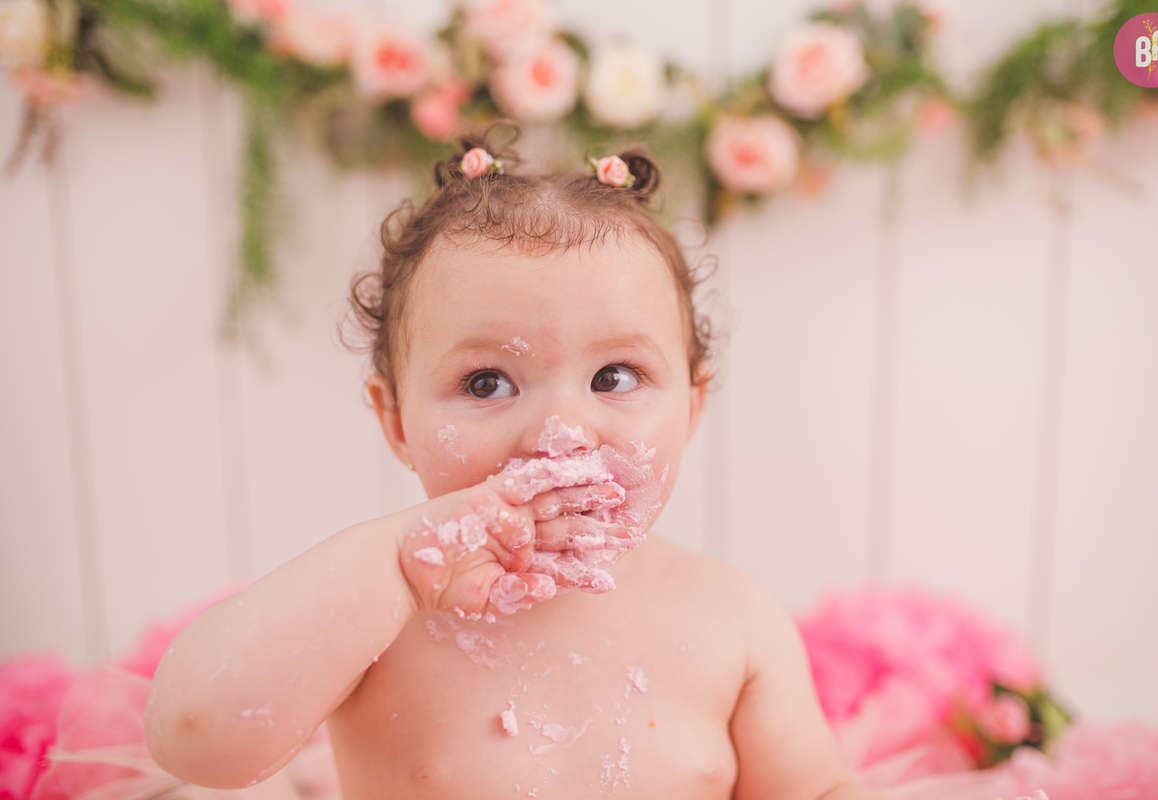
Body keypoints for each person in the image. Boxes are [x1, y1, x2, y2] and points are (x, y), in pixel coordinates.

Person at [144, 126, 886, 800]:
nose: (560, 433)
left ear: (692, 408)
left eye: (614, 378)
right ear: (396, 422)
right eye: (487, 383)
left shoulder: (734, 622)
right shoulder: (374, 615)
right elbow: (197, 743)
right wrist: (400, 571)